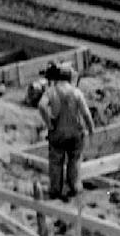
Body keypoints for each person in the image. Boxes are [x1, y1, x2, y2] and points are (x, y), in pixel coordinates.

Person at [27, 65, 94, 202]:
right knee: (74, 160)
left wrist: (49, 123)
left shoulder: (51, 92)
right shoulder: (76, 93)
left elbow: (41, 106)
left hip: (57, 133)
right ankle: (74, 187)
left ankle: (55, 189)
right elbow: (86, 114)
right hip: (75, 133)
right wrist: (91, 129)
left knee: (56, 162)